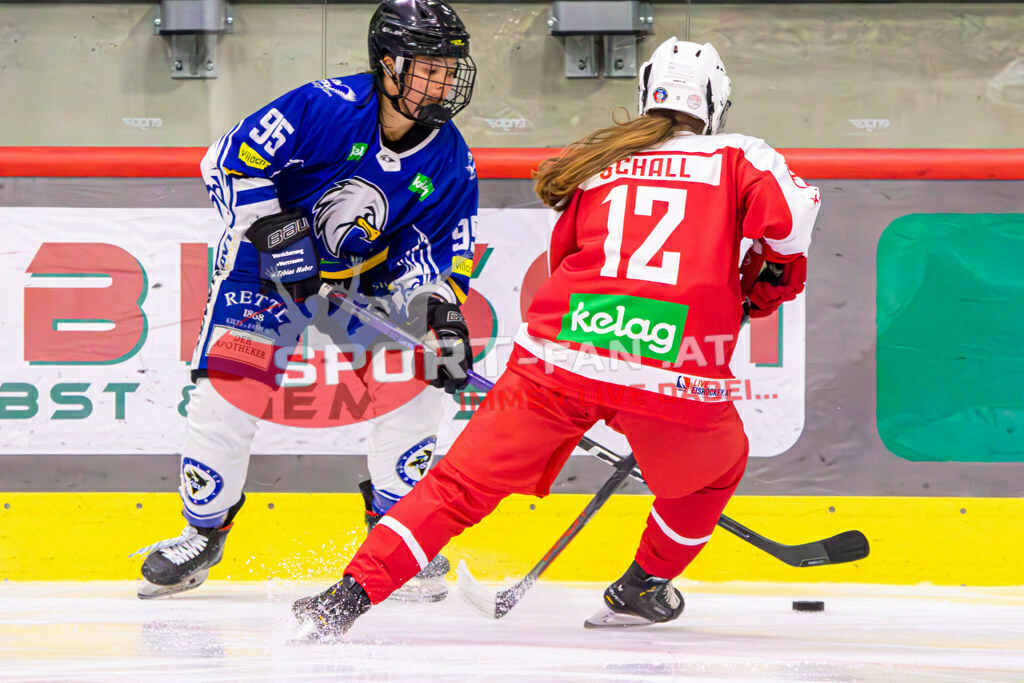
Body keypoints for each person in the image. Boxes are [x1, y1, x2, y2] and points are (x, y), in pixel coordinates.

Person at [291, 37, 820, 638]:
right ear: (715, 102)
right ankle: (644, 584)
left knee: (458, 486)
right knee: (714, 472)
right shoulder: (740, 155)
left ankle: (348, 596)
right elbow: (793, 219)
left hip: (559, 355)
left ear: (646, 94)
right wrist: (767, 279)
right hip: (676, 368)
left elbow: (565, 258)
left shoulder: (601, 161)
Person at [133, 0, 479, 603]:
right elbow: (228, 161)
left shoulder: (451, 156)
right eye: (428, 68)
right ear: (388, 65)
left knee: (416, 391)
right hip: (264, 270)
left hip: (368, 279)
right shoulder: (324, 107)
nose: (442, 83)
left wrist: (437, 312)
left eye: (449, 70)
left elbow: (438, 247)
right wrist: (275, 235)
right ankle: (203, 533)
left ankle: (396, 539)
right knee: (227, 394)